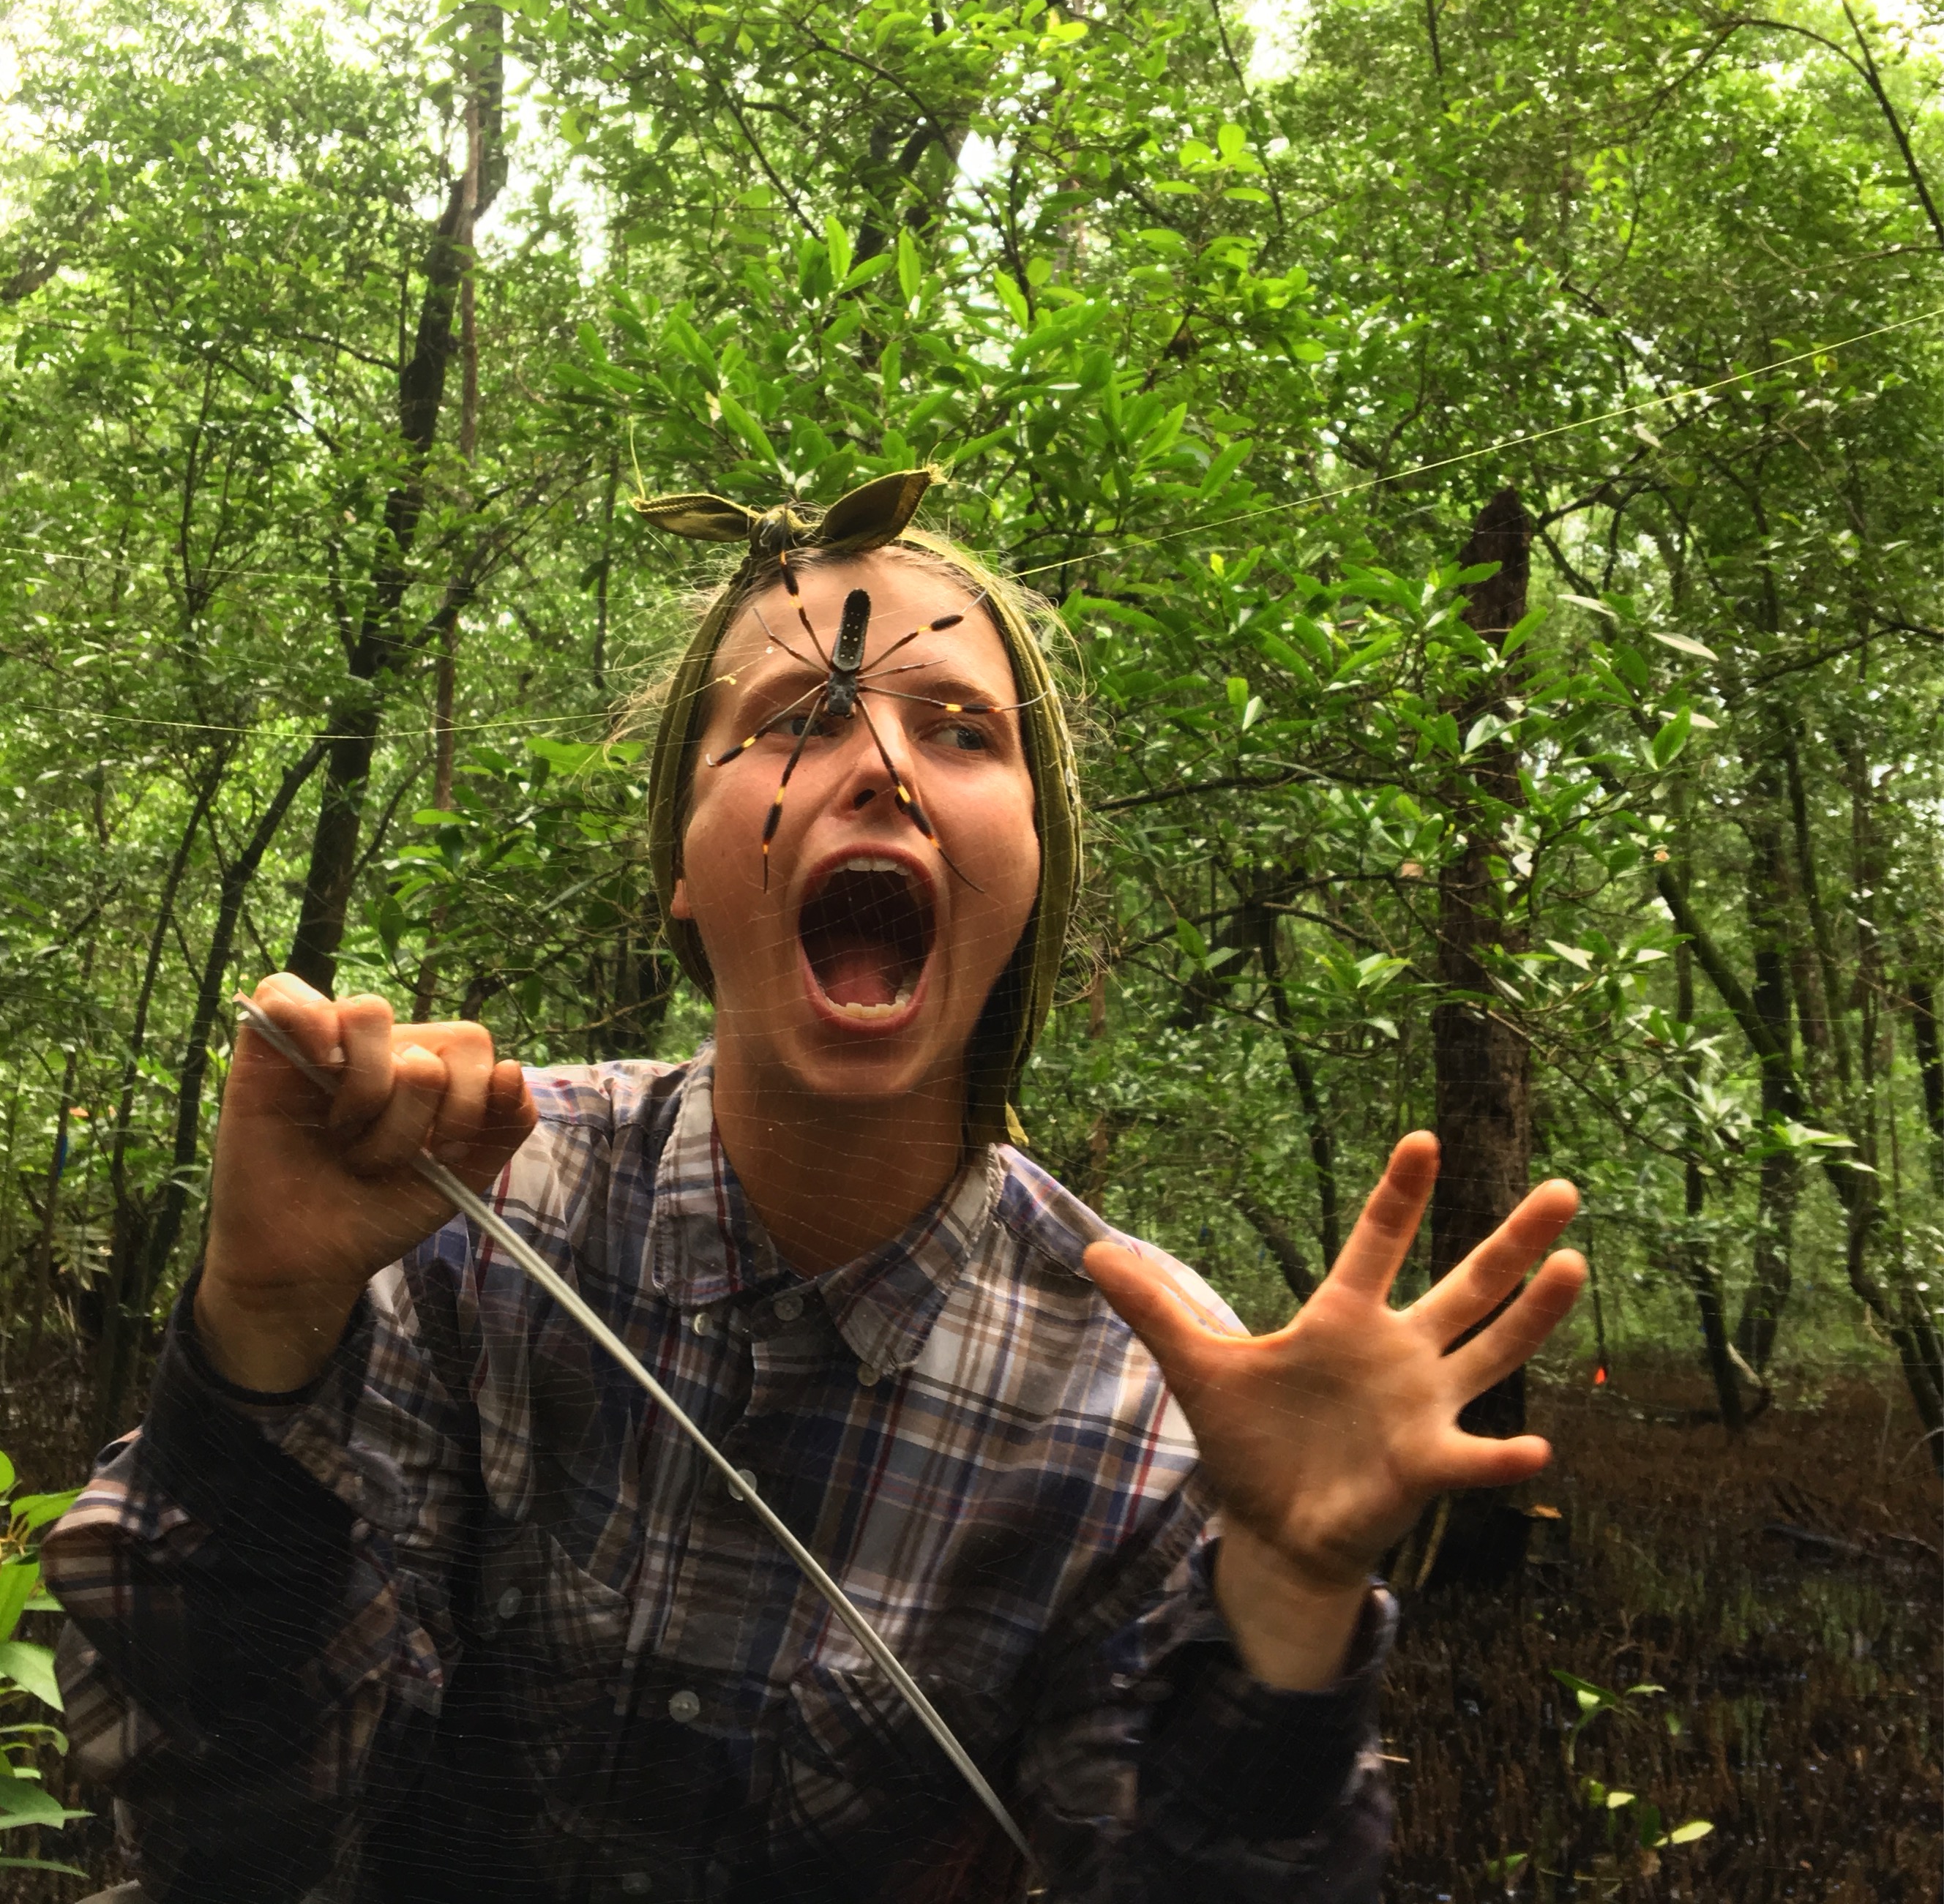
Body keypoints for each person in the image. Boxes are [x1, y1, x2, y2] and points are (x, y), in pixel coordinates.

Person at [46, 472, 1585, 1904]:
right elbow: (231, 1829)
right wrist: (261, 1327)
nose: (884, 767)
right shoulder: (460, 1215)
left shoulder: (1152, 1402)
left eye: (963, 731)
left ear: (1033, 867)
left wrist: (1285, 1609)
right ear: (681, 863)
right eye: (797, 717)